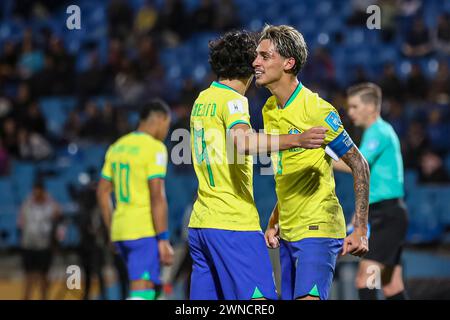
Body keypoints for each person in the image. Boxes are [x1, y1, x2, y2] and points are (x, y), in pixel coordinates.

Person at [188, 30, 327, 300]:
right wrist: (297, 139)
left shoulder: (202, 100)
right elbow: (244, 142)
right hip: (233, 223)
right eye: (258, 57)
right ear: (250, 64)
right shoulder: (233, 101)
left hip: (200, 225)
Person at [254, 25, 370, 300]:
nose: (255, 62)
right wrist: (274, 220)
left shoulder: (317, 110)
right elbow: (288, 172)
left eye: (264, 56)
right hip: (289, 231)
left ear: (288, 63)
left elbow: (360, 164)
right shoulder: (269, 110)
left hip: (318, 227)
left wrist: (361, 228)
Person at [334, 83, 409, 300]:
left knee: (365, 280)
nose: (350, 113)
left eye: (355, 107)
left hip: (387, 216)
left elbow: (356, 164)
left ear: (370, 107)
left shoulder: (379, 131)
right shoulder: (375, 132)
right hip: (384, 214)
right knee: (391, 285)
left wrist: (321, 157)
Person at [97, 99, 174, 300]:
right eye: (167, 126)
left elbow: (102, 192)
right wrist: (163, 239)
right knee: (142, 291)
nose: (166, 132)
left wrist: (111, 228)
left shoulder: (117, 147)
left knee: (153, 292)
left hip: (121, 231)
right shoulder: (154, 148)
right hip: (143, 231)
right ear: (159, 119)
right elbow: (157, 196)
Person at [17, 180, 62, 300]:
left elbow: (59, 218)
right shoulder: (27, 205)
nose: (37, 194)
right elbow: (21, 224)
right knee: (29, 278)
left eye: (39, 191)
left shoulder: (50, 205)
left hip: (44, 246)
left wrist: (56, 242)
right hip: (29, 245)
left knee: (43, 278)